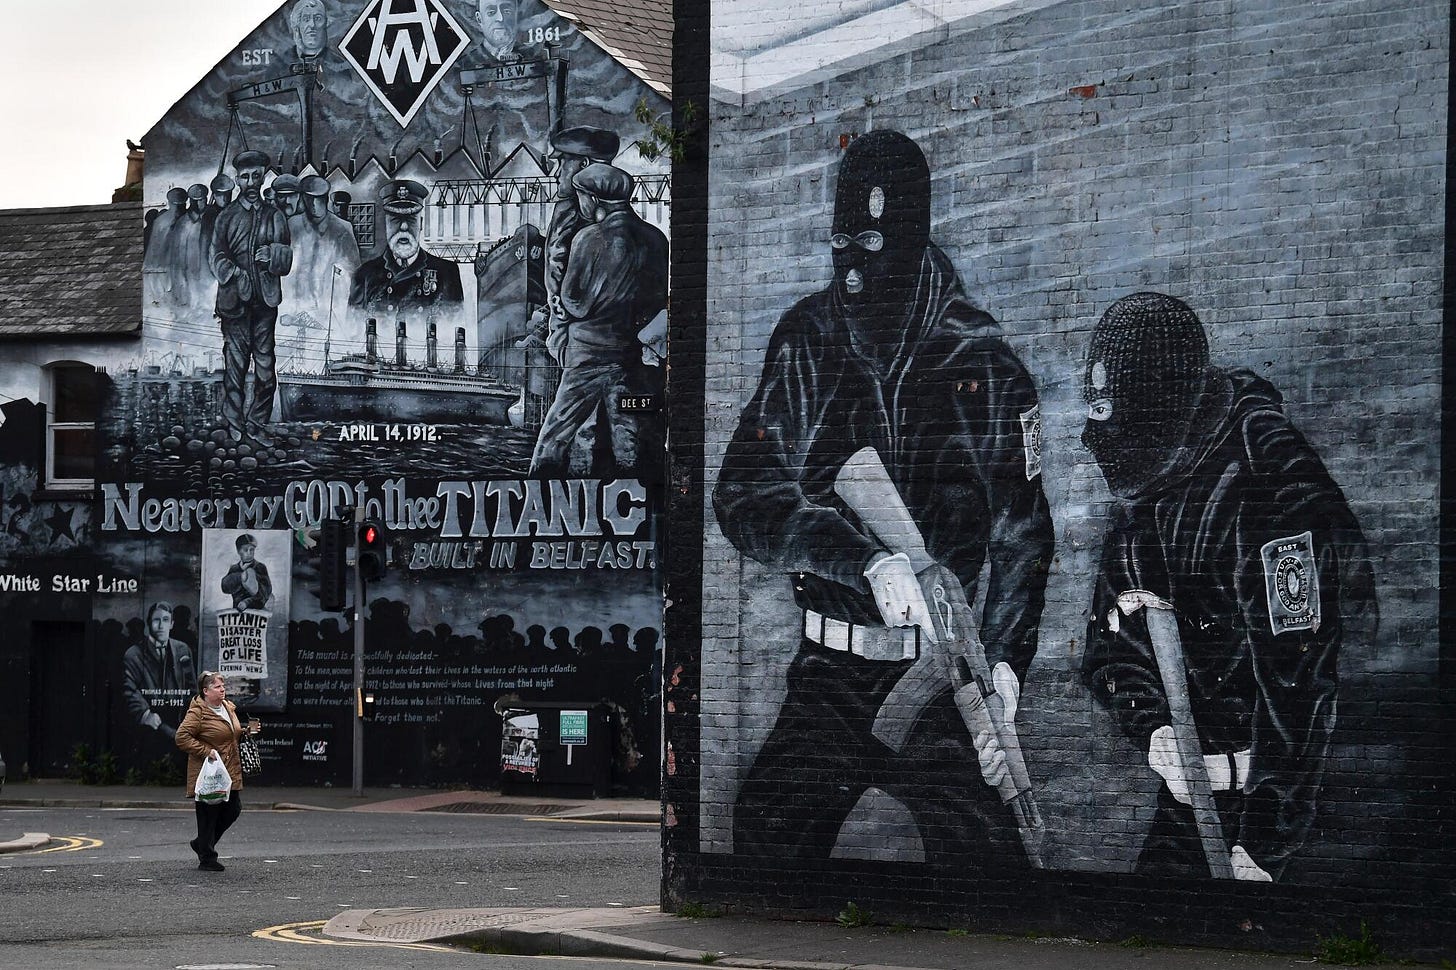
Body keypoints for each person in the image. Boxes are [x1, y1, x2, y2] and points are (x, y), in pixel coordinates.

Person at [713, 130, 1054, 865]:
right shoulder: (807, 339)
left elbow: (1023, 534)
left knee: (992, 866)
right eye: (840, 243)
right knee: (765, 836)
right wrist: (865, 562)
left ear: (912, 239)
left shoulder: (982, 362)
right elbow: (743, 493)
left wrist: (1000, 667)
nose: (852, 268)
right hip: (829, 674)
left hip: (940, 673)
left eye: (870, 243)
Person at [1078, 291, 1378, 881]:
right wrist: (1156, 728)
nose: (1093, 438)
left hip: (1293, 801)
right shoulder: (1149, 487)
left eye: (1113, 414)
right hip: (1203, 790)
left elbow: (1301, 684)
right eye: (1096, 410)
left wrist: (1264, 842)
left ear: (1158, 410)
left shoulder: (1271, 490)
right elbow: (1110, 643)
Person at [529, 163, 667, 476]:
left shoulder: (589, 238)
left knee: (557, 432)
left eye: (581, 197)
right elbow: (657, 298)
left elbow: (575, 302)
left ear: (593, 199)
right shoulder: (656, 239)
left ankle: (537, 487)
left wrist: (560, 305)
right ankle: (636, 494)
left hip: (588, 354)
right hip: (632, 354)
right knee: (627, 432)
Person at [210, 150, 293, 447]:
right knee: (235, 367)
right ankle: (234, 422)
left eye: (256, 176)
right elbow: (215, 257)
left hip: (265, 304)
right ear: (237, 179)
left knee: (266, 368)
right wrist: (236, 273)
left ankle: (258, 423)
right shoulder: (226, 217)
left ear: (262, 178)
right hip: (234, 304)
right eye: (245, 177)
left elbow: (287, 256)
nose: (250, 182)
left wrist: (273, 255)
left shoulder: (275, 216)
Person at [532, 126, 619, 363]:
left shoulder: (569, 210)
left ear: (583, 165)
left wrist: (561, 335)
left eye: (562, 163)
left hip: (576, 341)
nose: (556, 174)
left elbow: (556, 271)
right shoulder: (617, 211)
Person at [175, 671, 259, 872]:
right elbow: (181, 737)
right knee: (208, 814)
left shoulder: (228, 707)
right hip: (208, 772)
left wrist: (246, 732)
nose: (223, 690)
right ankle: (207, 857)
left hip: (229, 769)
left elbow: (231, 734)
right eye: (218, 687)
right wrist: (206, 751)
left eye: (223, 686)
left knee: (233, 809)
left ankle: (202, 843)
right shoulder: (198, 712)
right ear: (206, 691)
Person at [349, 179, 463, 319]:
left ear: (421, 224)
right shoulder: (364, 275)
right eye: (395, 219)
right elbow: (351, 328)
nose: (404, 226)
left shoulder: (447, 273)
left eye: (411, 219)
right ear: (386, 224)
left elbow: (456, 326)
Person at [122, 602, 196, 738]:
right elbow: (130, 691)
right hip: (148, 728)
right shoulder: (133, 654)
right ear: (149, 623)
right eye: (156, 620)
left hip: (180, 723)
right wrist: (146, 715)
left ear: (172, 624)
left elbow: (191, 688)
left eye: (166, 620)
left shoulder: (183, 649)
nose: (161, 626)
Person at [288, 174, 360, 308]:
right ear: (302, 199)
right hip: (296, 303)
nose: (314, 204)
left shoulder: (342, 228)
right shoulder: (292, 225)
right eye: (309, 199)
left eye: (319, 199)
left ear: (326, 199)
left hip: (329, 305)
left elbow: (354, 269)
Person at [221, 533, 273, 611]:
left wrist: (247, 602)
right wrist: (240, 577)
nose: (249, 553)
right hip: (237, 612)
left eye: (251, 550)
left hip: (257, 612)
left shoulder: (260, 567)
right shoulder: (234, 568)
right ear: (238, 551)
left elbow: (265, 592)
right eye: (245, 550)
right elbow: (225, 587)